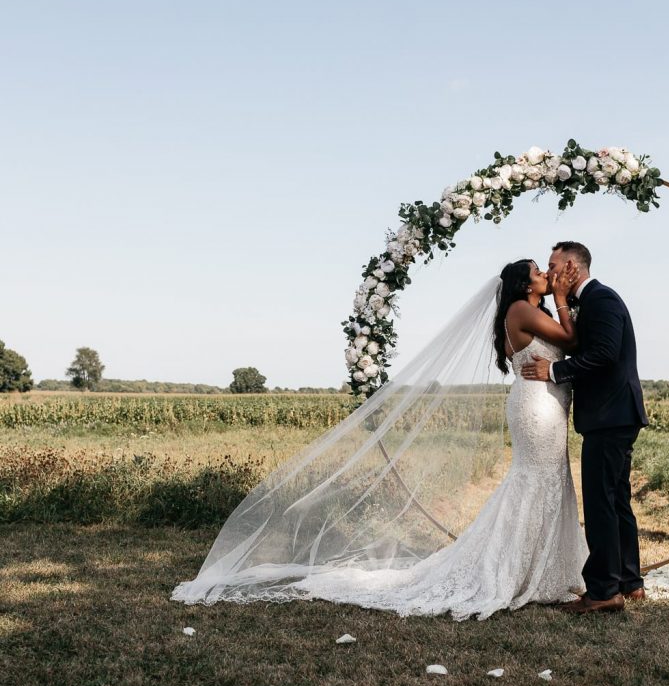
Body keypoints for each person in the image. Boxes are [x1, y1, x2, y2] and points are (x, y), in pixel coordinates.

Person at [173, 258, 589, 620]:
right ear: (522, 284)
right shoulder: (521, 309)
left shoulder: (526, 309)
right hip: (536, 407)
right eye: (538, 272)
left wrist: (558, 301)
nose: (545, 275)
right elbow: (570, 341)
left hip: (545, 404)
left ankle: (545, 569)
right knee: (537, 480)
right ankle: (516, 570)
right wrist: (564, 299)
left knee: (549, 480)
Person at [522, 242, 648, 615]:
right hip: (613, 415)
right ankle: (630, 581)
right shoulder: (585, 301)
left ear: (572, 266)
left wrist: (557, 371)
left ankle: (604, 591)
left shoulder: (601, 298)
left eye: (553, 264)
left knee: (600, 504)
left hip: (611, 415)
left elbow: (606, 352)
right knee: (616, 498)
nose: (549, 271)